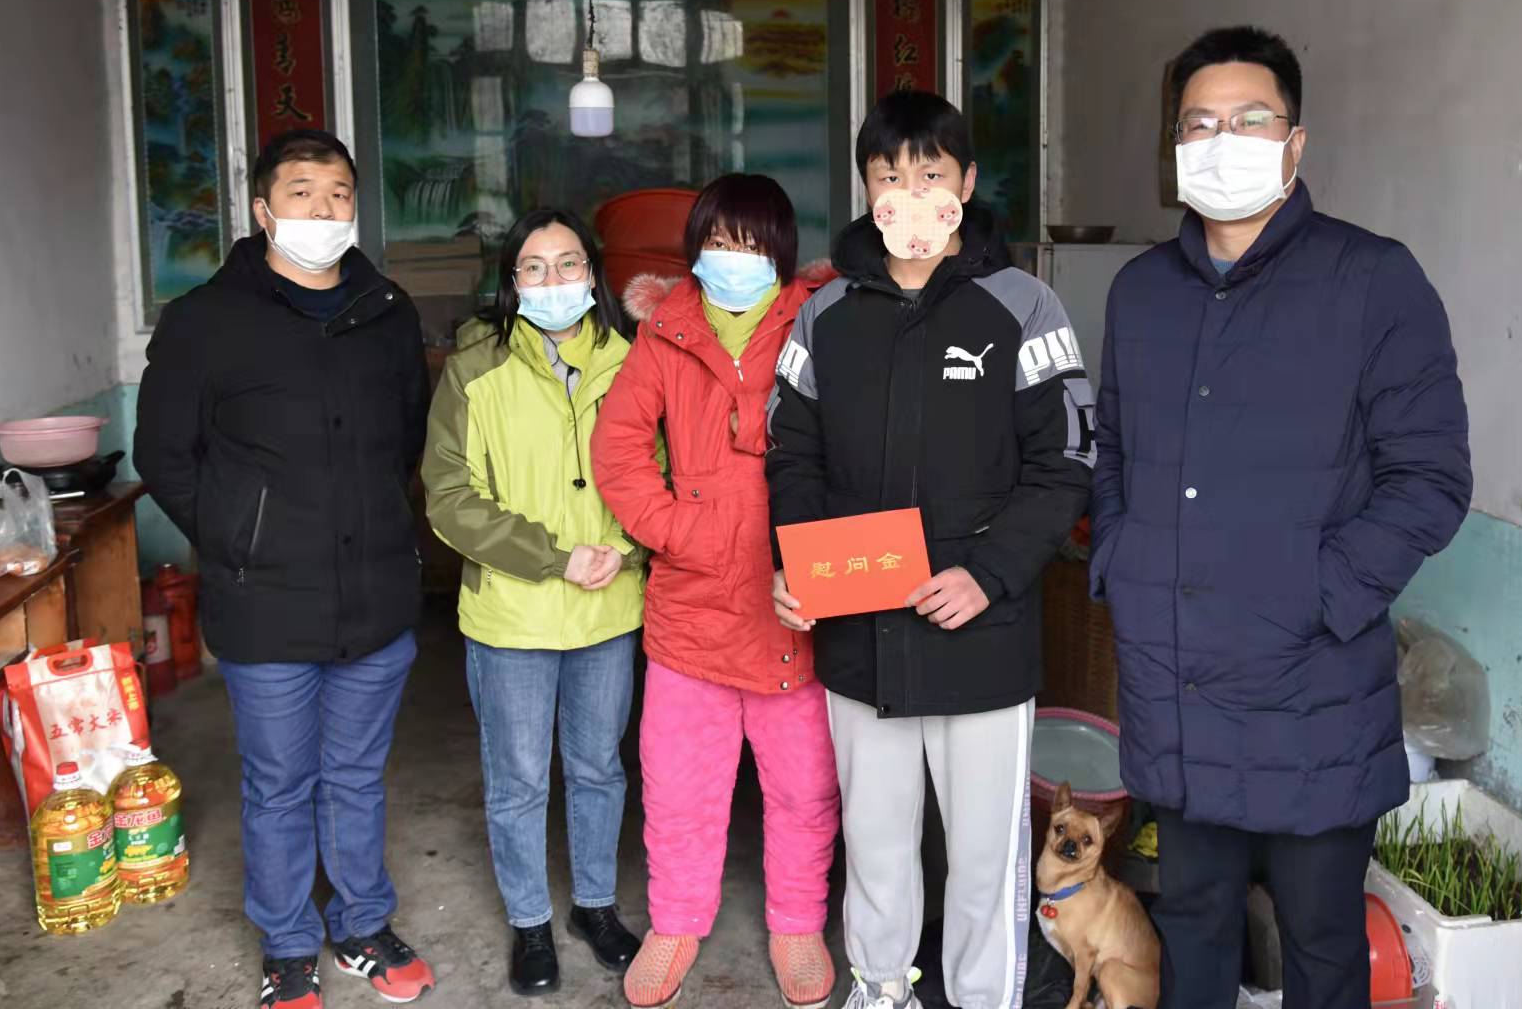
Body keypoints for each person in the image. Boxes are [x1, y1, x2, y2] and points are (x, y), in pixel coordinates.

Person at [1090, 27, 1473, 1009]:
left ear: (1295, 142)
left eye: (1250, 119)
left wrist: (1320, 593)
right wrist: (1124, 564)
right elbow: (1116, 452)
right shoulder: (1140, 294)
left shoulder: (1371, 280)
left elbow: (1430, 478)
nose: (1223, 140)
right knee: (1191, 929)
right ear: (1174, 146)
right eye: (1199, 123)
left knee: (1320, 942)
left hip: (1311, 694)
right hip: (1178, 687)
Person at [767, 90, 1096, 1009]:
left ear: (967, 182)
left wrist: (989, 574)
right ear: (866, 189)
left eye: (930, 174)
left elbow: (1066, 460)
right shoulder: (825, 313)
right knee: (874, 843)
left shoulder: (1023, 306)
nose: (910, 194)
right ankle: (881, 988)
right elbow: (792, 455)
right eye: (889, 176)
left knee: (986, 855)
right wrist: (797, 563)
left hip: (980, 635)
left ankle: (984, 997)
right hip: (861, 632)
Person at [134, 129, 436, 1009]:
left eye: (339, 192)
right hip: (264, 601)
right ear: (263, 209)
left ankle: (361, 925)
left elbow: (405, 438)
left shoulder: (386, 310)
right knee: (277, 783)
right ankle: (288, 943)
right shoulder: (206, 320)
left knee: (356, 776)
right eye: (301, 191)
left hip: (374, 594)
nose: (322, 208)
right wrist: (238, 537)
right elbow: (164, 453)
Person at [591, 174, 842, 1009]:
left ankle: (797, 923)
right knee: (677, 788)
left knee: (804, 788)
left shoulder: (820, 322)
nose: (734, 258)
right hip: (691, 603)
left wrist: (822, 553)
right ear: (695, 249)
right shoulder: (666, 332)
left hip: (791, 604)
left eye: (751, 243)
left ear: (782, 250)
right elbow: (619, 448)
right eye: (718, 242)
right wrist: (678, 529)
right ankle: (674, 923)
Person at [421, 207, 646, 995]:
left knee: (598, 769)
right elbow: (449, 495)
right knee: (518, 779)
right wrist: (555, 556)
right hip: (512, 614)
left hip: (608, 609)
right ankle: (528, 922)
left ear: (594, 273)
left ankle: (594, 905)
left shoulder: (631, 361)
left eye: (569, 263)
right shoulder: (473, 367)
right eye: (535, 267)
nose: (554, 279)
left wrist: (628, 547)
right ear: (511, 281)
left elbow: (662, 472)